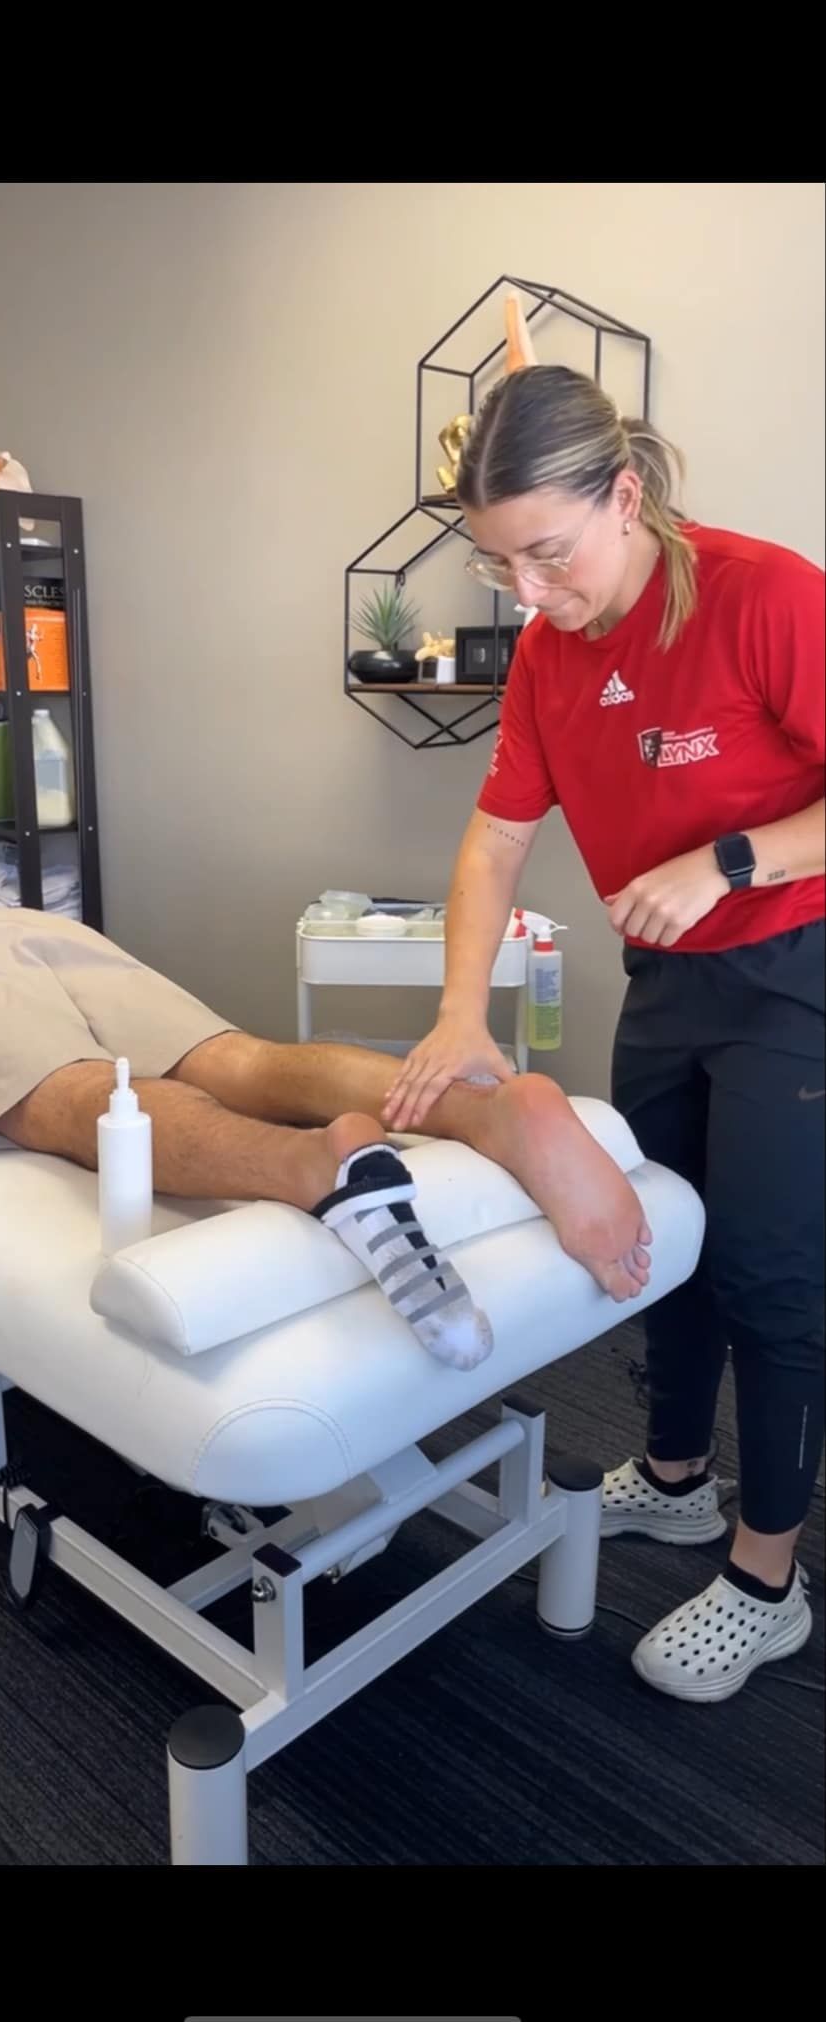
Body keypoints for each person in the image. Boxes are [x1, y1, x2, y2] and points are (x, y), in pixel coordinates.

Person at [383, 363, 824, 1701]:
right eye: (497, 562)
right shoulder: (550, 657)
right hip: (666, 977)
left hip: (793, 965)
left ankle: (767, 1574)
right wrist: (461, 1017)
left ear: (621, 497)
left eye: (545, 554)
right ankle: (680, 1478)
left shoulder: (764, 595)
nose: (525, 592)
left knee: (763, 1270)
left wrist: (732, 859)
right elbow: (493, 839)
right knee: (665, 1240)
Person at [0, 892, 653, 1372]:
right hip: (3, 924)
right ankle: (484, 1110)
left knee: (75, 1093)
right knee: (239, 1060)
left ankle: (314, 1170)